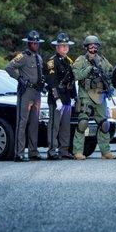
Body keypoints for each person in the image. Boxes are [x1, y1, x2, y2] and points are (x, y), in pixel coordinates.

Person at [71, 35, 116, 160]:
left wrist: (110, 86)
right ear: (86, 47)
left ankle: (105, 151)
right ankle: (78, 151)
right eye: (90, 45)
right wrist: (89, 69)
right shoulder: (81, 60)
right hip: (85, 94)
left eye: (95, 45)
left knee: (104, 124)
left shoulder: (102, 60)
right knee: (83, 123)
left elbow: (110, 73)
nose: (93, 47)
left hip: (100, 94)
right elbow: (76, 75)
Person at [5, 30, 45, 162]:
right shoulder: (23, 56)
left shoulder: (38, 57)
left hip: (36, 93)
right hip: (26, 92)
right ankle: (19, 152)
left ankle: (33, 151)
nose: (35, 44)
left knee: (34, 123)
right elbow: (9, 67)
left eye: (36, 42)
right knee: (22, 122)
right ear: (28, 43)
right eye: (33, 42)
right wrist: (19, 78)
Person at [44, 32, 76, 160]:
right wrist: (57, 99)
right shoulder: (52, 62)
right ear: (57, 47)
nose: (65, 48)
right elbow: (52, 82)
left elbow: (72, 80)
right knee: (54, 126)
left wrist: (74, 96)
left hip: (67, 97)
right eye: (62, 46)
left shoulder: (69, 61)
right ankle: (52, 150)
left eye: (66, 46)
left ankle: (64, 150)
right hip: (56, 98)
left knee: (65, 126)